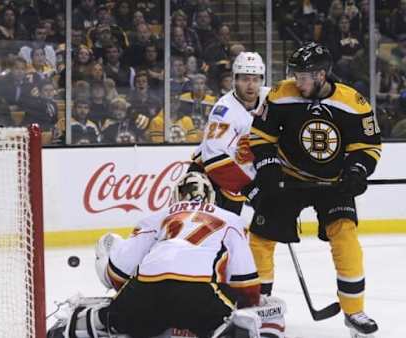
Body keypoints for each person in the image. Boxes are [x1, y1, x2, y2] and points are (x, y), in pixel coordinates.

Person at [248, 42, 381, 337]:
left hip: (333, 183)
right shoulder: (282, 94)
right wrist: (268, 165)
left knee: (345, 234)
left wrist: (357, 171)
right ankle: (257, 302)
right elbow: (260, 135)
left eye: (304, 75)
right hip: (288, 177)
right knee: (260, 237)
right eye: (295, 74)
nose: (297, 80)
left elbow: (368, 146)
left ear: (321, 75)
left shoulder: (354, 103)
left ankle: (354, 310)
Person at [59, 172, 286, 338]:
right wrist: (250, 303)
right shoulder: (231, 220)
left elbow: (118, 272)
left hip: (145, 291)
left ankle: (90, 323)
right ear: (211, 198)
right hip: (198, 296)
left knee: (116, 321)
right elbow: (246, 284)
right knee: (249, 319)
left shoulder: (155, 218)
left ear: (176, 196)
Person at [189, 52, 270, 215]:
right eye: (245, 79)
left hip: (236, 176)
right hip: (209, 178)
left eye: (255, 79)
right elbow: (213, 160)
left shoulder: (270, 98)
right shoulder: (224, 111)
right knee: (200, 233)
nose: (251, 85)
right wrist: (250, 188)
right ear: (235, 80)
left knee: (230, 234)